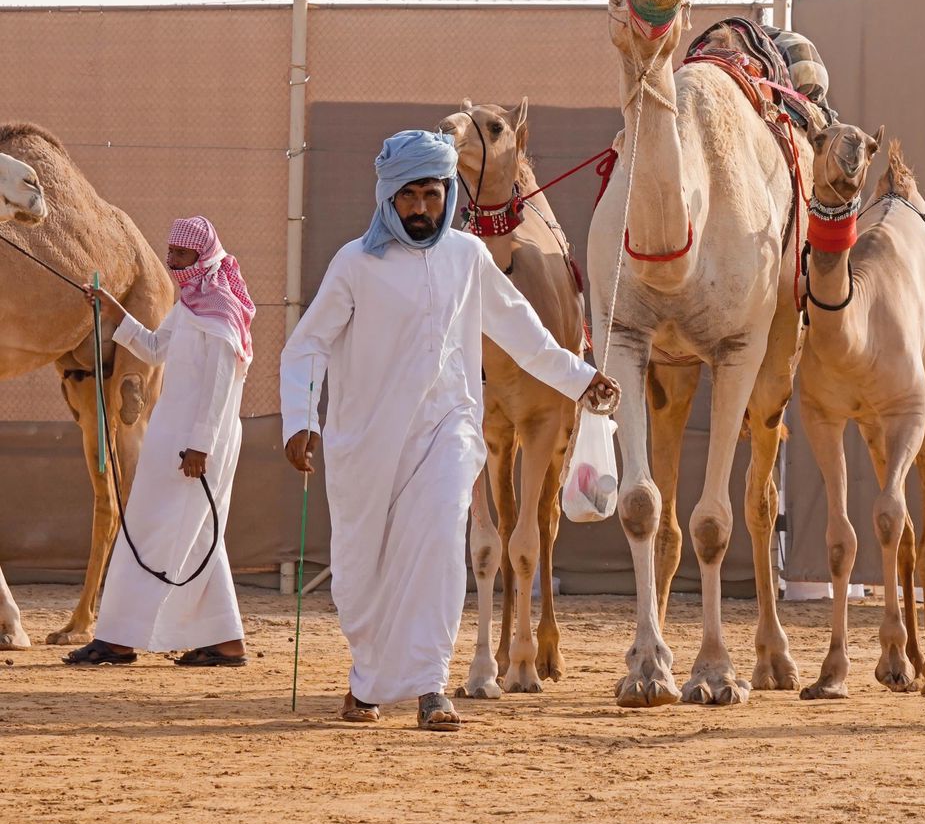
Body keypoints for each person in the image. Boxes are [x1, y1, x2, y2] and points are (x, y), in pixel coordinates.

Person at [279, 130, 618, 732]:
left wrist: (580, 379)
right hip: (368, 440)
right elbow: (307, 346)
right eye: (408, 196)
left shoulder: (467, 257)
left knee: (439, 546)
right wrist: (301, 421)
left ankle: (431, 685)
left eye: (431, 195)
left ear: (448, 196)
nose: (420, 209)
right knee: (365, 571)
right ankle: (367, 678)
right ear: (388, 197)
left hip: (447, 431)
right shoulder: (356, 264)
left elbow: (523, 330)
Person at [64, 217, 254, 668]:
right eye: (170, 252)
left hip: (197, 444)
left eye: (182, 255)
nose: (173, 262)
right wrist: (115, 313)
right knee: (197, 534)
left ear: (203, 256)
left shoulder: (222, 311)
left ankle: (116, 639)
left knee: (149, 529)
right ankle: (226, 642)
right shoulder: (190, 305)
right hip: (174, 435)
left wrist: (201, 445)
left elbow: (221, 387)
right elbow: (153, 349)